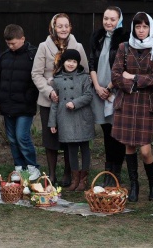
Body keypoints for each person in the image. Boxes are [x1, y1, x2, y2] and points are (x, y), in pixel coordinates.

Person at [111, 12, 153, 202]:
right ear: (133, 28)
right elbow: (116, 75)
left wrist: (133, 78)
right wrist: (132, 83)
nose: (141, 31)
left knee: (145, 150)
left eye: (145, 27)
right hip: (126, 101)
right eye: (138, 27)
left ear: (150, 28)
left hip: (145, 103)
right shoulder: (123, 48)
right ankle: (134, 185)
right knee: (129, 147)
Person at [31, 13, 89, 186]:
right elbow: (36, 73)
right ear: (53, 27)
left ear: (71, 27)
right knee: (50, 139)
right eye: (59, 26)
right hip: (49, 100)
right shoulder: (43, 46)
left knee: (69, 139)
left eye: (66, 25)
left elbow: (84, 72)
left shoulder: (77, 46)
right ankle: (51, 175)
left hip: (70, 103)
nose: (63, 29)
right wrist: (49, 91)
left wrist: (77, 97)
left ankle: (68, 174)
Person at [0, 24, 41, 181]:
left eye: (13, 43)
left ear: (22, 39)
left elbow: (36, 79)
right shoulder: (5, 56)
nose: (10, 46)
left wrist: (29, 97)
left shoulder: (33, 55)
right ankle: (19, 167)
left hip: (25, 105)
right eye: (8, 43)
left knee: (22, 136)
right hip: (7, 104)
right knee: (12, 138)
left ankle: (32, 166)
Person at [89, 6, 128, 187]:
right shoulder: (97, 37)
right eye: (106, 18)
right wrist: (97, 87)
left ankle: (116, 173)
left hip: (115, 92)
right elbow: (92, 63)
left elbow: (125, 68)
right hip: (99, 92)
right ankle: (107, 171)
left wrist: (109, 88)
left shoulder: (124, 40)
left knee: (117, 133)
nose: (108, 22)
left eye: (112, 19)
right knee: (106, 132)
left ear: (119, 20)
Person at [48, 49, 94, 191]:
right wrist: (52, 122)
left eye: (74, 61)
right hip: (65, 118)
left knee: (84, 148)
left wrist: (75, 103)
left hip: (82, 117)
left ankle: (83, 179)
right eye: (68, 61)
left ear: (78, 63)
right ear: (63, 62)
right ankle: (74, 179)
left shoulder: (85, 78)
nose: (71, 64)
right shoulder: (57, 79)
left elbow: (88, 95)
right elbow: (54, 103)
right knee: (71, 149)